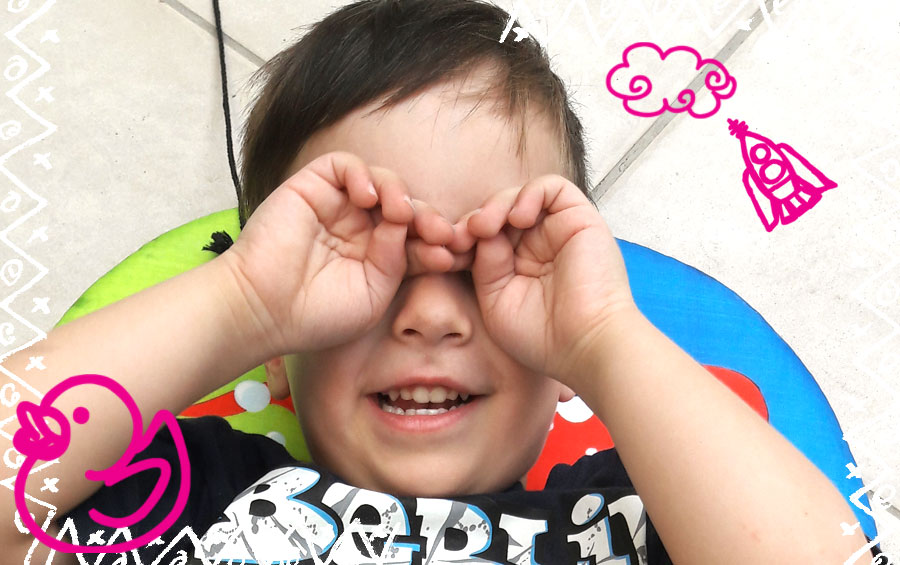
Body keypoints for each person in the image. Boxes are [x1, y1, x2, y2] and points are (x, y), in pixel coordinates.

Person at [0, 0, 874, 563]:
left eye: (494, 267)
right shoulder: (198, 496)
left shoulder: (633, 513)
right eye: (364, 268)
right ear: (274, 353)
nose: (427, 316)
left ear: (564, 371)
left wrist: (606, 340)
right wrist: (244, 302)